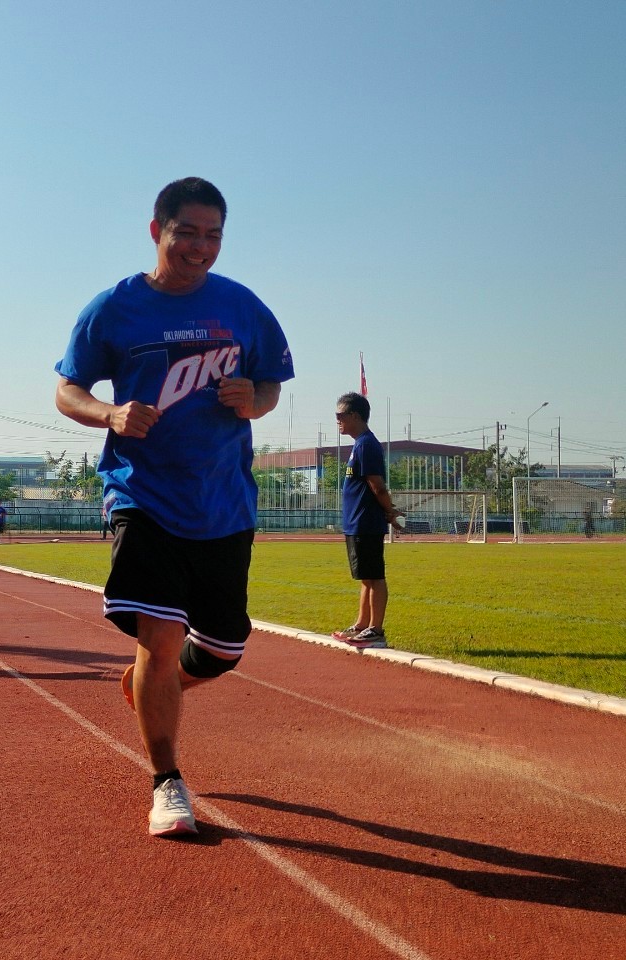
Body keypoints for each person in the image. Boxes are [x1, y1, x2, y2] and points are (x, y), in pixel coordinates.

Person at [55, 177, 294, 837]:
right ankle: (167, 782)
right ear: (156, 229)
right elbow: (67, 390)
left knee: (223, 648)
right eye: (186, 232)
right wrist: (109, 413)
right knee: (159, 637)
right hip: (143, 492)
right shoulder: (114, 308)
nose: (200, 247)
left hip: (223, 501)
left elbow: (271, 383)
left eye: (213, 235)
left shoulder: (241, 306)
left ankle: (148, 686)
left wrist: (254, 400)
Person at [330, 392, 403, 650]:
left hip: (366, 523)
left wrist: (390, 511)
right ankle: (361, 625)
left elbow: (377, 486)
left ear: (355, 416)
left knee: (375, 576)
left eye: (340, 415)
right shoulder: (359, 444)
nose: (337, 421)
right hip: (356, 523)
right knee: (366, 577)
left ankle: (376, 630)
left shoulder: (367, 445)